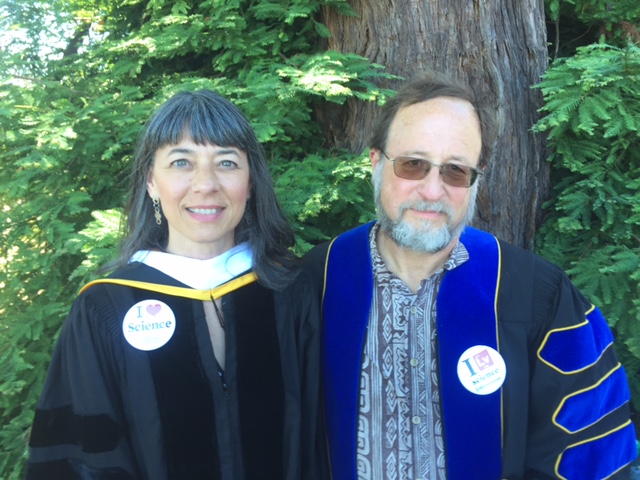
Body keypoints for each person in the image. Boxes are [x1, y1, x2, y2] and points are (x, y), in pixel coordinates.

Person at [304, 73, 638, 480]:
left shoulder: (536, 296)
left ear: (476, 178)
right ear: (376, 162)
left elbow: (588, 454)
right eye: (413, 164)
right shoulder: (314, 284)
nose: (432, 190)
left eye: (455, 171)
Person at [26, 90, 326, 480]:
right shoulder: (106, 307)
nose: (205, 185)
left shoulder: (290, 292)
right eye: (181, 162)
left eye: (227, 162)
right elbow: (80, 457)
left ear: (250, 183)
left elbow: (322, 444)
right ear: (151, 181)